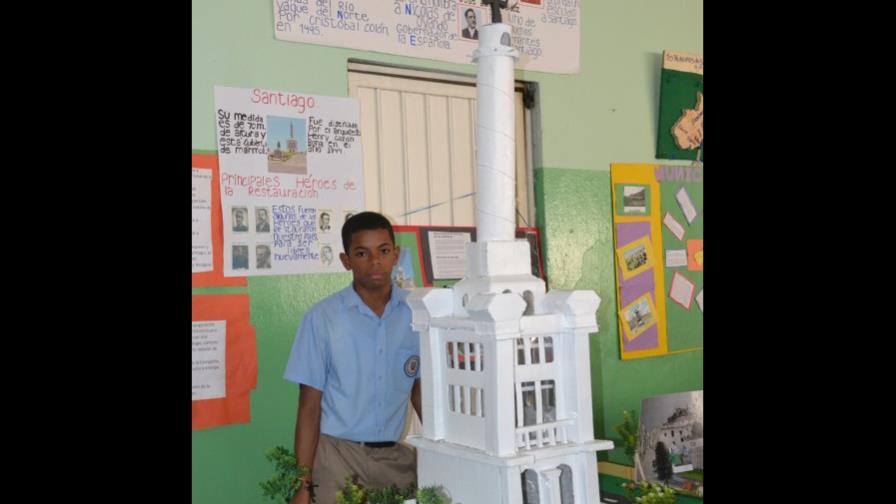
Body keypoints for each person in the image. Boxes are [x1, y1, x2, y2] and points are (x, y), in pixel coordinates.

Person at [284, 211, 421, 504]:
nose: (375, 262)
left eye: (383, 251)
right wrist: (302, 484)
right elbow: (309, 408)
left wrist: (447, 450)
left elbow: (419, 389)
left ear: (395, 254)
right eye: (362, 253)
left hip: (394, 458)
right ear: (347, 261)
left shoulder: (417, 314)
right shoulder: (322, 319)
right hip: (336, 457)